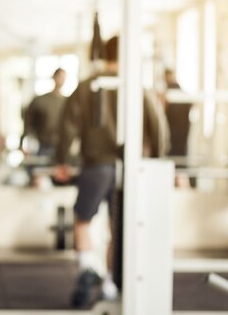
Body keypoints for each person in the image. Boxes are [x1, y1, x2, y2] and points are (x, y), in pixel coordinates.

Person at [54, 36, 169, 308]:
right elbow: (158, 127)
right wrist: (156, 160)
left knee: (83, 219)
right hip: (129, 167)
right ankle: (108, 284)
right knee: (117, 227)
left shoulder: (86, 86)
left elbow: (66, 127)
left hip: (96, 165)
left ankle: (87, 269)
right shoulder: (136, 87)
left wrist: (61, 160)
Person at [163, 68, 194, 187]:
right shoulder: (183, 94)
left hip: (171, 141)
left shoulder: (170, 94)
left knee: (174, 171)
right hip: (182, 141)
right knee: (181, 171)